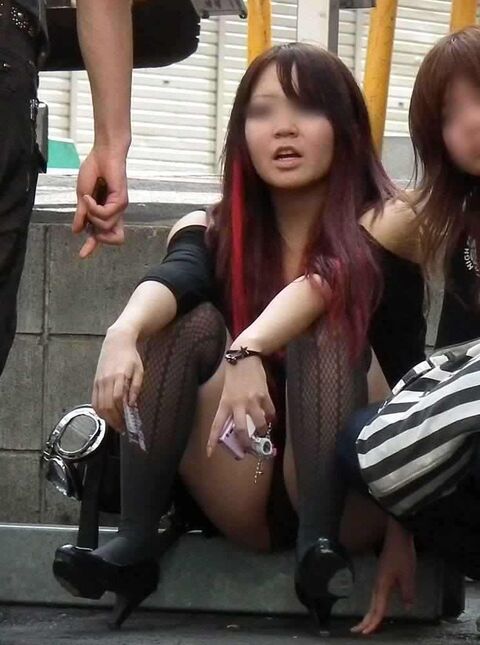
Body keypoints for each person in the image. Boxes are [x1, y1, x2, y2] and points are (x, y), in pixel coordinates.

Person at [53, 42, 426, 633]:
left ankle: (319, 552)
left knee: (322, 327)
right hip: (245, 474)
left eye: (307, 109)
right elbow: (178, 276)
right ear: (241, 133)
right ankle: (134, 544)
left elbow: (411, 380)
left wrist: (408, 534)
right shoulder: (212, 225)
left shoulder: (389, 223)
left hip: (354, 499)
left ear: (346, 126)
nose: (284, 128)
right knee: (184, 320)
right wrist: (122, 332)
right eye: (262, 111)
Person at [338, 25, 480, 635]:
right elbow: (434, 396)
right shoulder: (462, 238)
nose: (471, 124)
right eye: (449, 116)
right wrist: (405, 525)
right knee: (361, 439)